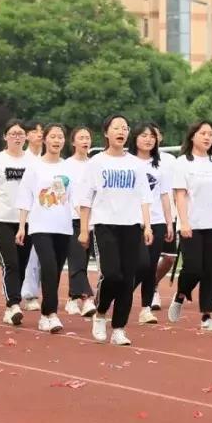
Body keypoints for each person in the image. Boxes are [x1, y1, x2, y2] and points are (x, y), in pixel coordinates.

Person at [77, 114, 153, 346]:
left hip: (131, 226)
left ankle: (119, 328)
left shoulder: (136, 165)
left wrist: (147, 225)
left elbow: (144, 197)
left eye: (125, 128)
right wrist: (83, 230)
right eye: (116, 128)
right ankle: (100, 313)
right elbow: (85, 199)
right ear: (107, 133)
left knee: (128, 279)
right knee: (112, 274)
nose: (121, 131)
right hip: (104, 225)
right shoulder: (96, 163)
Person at [168, 121, 212, 331]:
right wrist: (183, 222)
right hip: (192, 224)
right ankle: (181, 294)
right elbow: (180, 196)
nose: (207, 137)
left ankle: (207, 316)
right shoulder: (182, 163)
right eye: (203, 133)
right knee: (193, 268)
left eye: (210, 134)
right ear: (193, 136)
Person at [15, 123, 73, 332]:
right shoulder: (35, 167)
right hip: (40, 226)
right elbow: (25, 198)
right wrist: (22, 226)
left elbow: (74, 199)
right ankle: (52, 313)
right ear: (45, 140)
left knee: (55, 271)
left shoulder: (68, 167)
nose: (57, 140)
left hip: (63, 226)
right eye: (53, 136)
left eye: (60, 137)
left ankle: (46, 313)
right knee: (48, 266)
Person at [0, 120, 36, 326]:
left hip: (27, 220)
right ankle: (12, 305)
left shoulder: (33, 161)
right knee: (10, 262)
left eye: (21, 133)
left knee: (21, 264)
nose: (17, 136)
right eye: (13, 133)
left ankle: (13, 302)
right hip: (1, 218)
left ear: (26, 137)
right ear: (5, 137)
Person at [127, 122, 175, 324]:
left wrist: (169, 222)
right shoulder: (127, 161)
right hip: (131, 220)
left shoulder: (159, 166)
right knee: (140, 263)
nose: (148, 139)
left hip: (156, 221)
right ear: (135, 138)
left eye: (152, 136)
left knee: (150, 265)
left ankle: (145, 308)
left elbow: (164, 195)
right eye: (144, 135)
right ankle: (119, 290)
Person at [62, 126, 97, 317]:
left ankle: (72, 298)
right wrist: (78, 209)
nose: (85, 141)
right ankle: (87, 297)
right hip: (72, 218)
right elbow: (66, 192)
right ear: (73, 142)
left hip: (94, 220)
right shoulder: (66, 165)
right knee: (76, 258)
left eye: (88, 137)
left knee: (82, 261)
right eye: (81, 137)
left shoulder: (94, 164)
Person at [151, 125, 177, 309]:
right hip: (144, 218)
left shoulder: (170, 160)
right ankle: (149, 293)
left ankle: (152, 283)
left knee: (169, 258)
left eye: (155, 134)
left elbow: (177, 188)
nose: (151, 138)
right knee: (147, 258)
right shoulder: (136, 160)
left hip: (168, 215)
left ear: (160, 137)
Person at [20, 120, 45, 311]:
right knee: (26, 258)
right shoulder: (22, 160)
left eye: (42, 131)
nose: (39, 134)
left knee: (39, 256)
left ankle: (31, 293)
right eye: (35, 131)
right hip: (22, 216)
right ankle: (26, 293)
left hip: (44, 216)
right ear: (27, 135)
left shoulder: (47, 160)